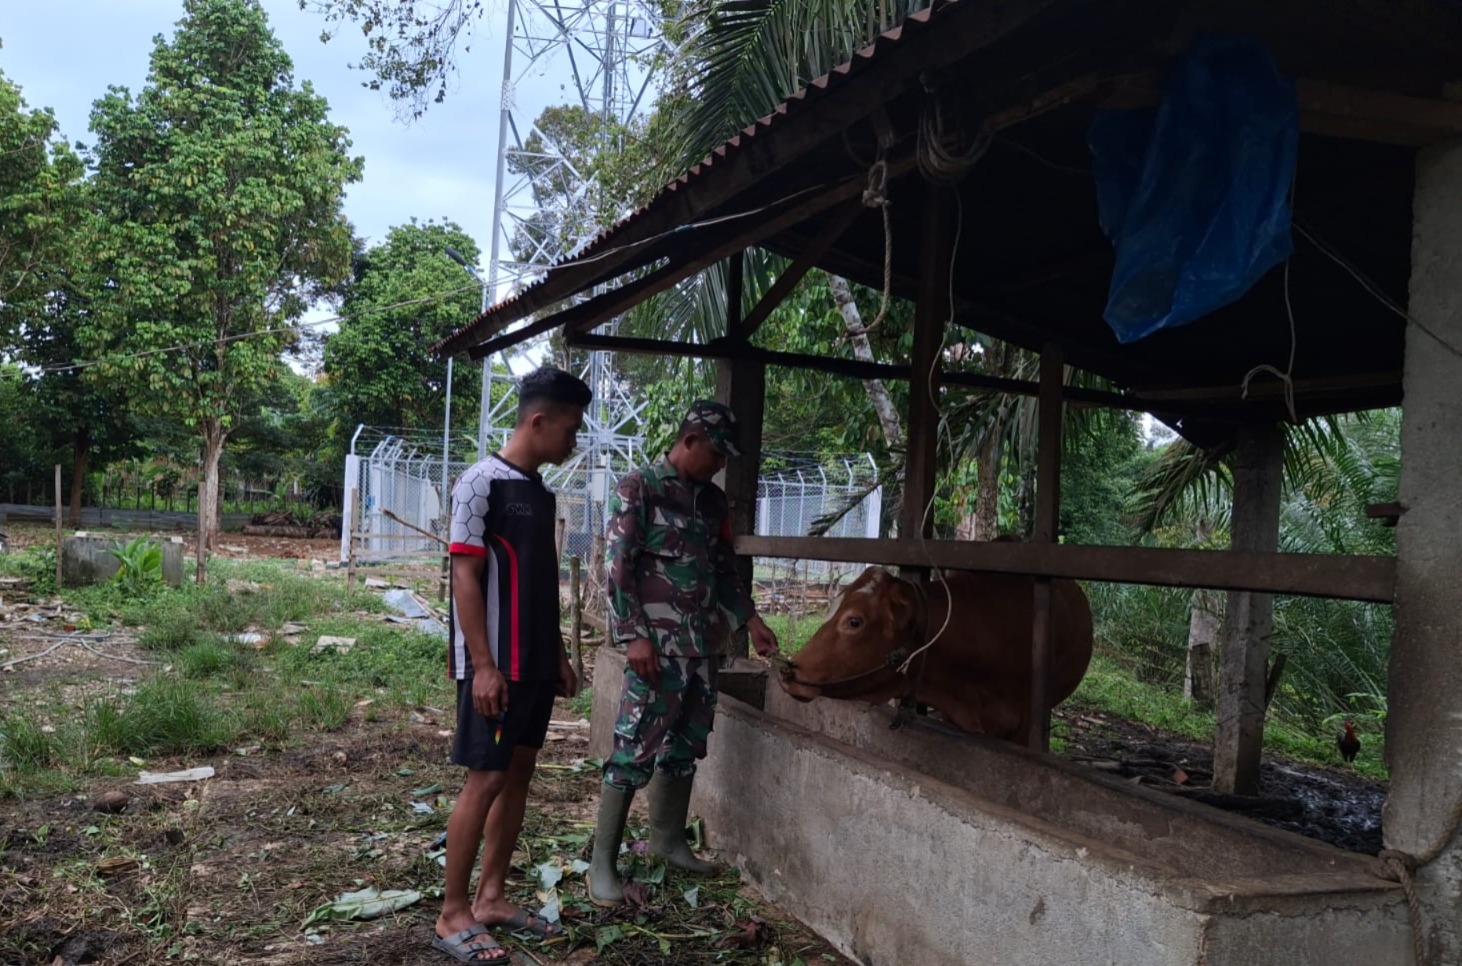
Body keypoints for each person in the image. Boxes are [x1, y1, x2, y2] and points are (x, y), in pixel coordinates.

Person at [588, 400, 779, 906]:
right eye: (716, 454)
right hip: (654, 650)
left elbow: (722, 572)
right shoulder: (640, 488)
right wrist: (633, 636)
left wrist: (750, 620)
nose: (720, 465)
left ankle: (668, 841)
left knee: (687, 744)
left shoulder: (712, 505)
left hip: (701, 649)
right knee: (633, 749)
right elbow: (617, 567)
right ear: (690, 440)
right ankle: (601, 866)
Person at [433, 366, 590, 965]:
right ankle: (453, 914)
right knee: (487, 778)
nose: (573, 442)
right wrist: (482, 665)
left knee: (519, 774)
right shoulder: (480, 484)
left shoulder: (541, 492)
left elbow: (538, 582)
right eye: (570, 430)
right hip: (496, 666)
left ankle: (491, 897)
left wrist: (558, 655)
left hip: (535, 665)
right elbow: (464, 575)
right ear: (538, 420)